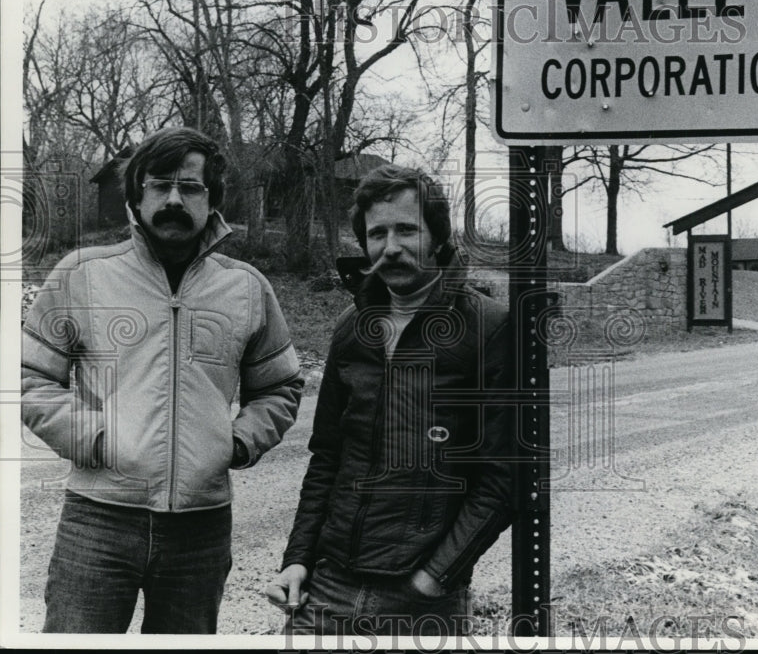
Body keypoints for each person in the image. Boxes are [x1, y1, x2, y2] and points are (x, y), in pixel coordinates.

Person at [21, 127, 304, 634]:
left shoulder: (245, 287)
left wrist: (235, 443)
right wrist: (99, 439)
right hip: (98, 520)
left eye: (191, 187)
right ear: (136, 195)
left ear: (211, 199)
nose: (174, 198)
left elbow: (280, 388)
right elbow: (29, 377)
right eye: (159, 185)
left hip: (202, 529)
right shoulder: (81, 274)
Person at [266, 164, 512, 639]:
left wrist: (435, 576)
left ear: (438, 236)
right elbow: (327, 459)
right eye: (377, 234)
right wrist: (297, 559)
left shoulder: (489, 327)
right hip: (330, 585)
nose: (391, 247)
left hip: (422, 598)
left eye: (407, 229)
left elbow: (504, 478)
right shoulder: (351, 328)